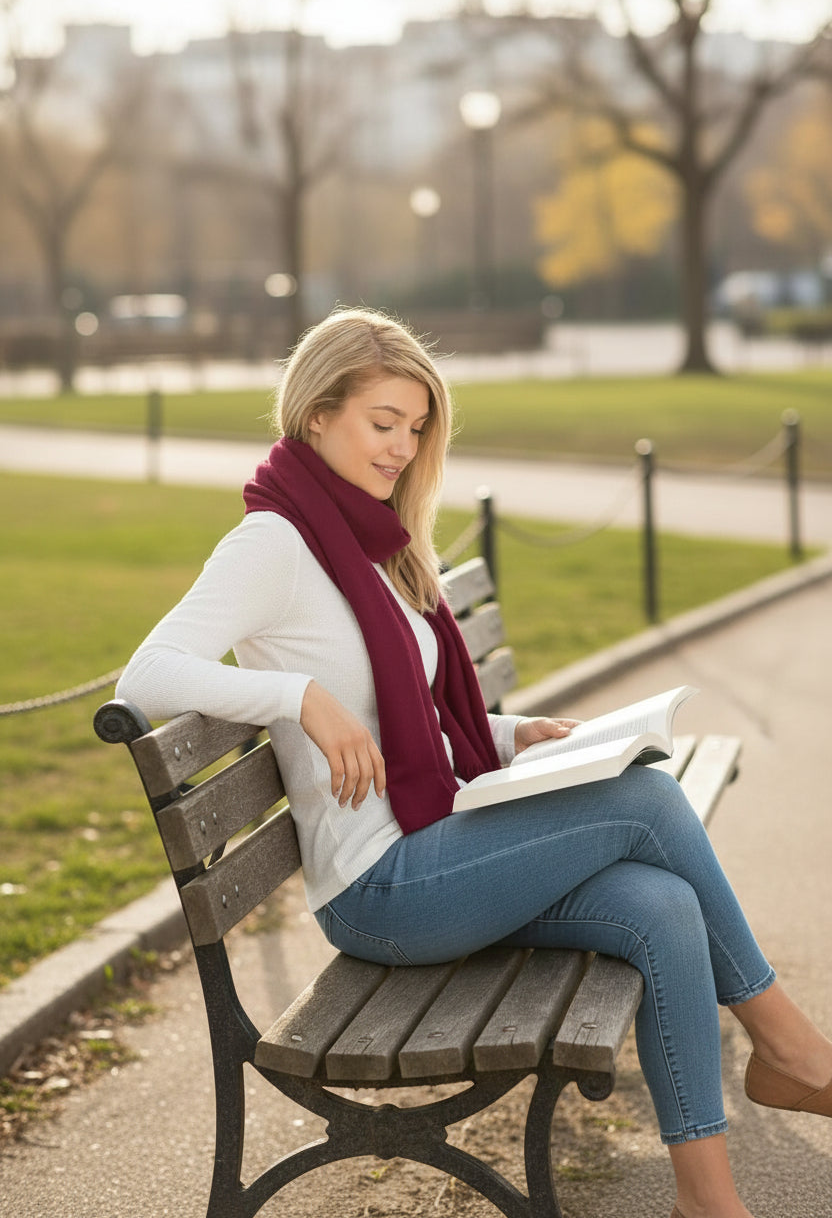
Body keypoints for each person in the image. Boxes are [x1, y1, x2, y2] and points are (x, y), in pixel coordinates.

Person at [116, 307, 832, 1218]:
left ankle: (709, 1200)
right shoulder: (275, 545)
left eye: (415, 430)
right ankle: (798, 1052)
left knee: (664, 905)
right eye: (383, 424)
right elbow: (145, 675)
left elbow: (409, 704)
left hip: (434, 851)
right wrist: (294, 698)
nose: (402, 450)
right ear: (316, 414)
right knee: (647, 801)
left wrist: (510, 733)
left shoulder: (371, 543)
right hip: (381, 891)